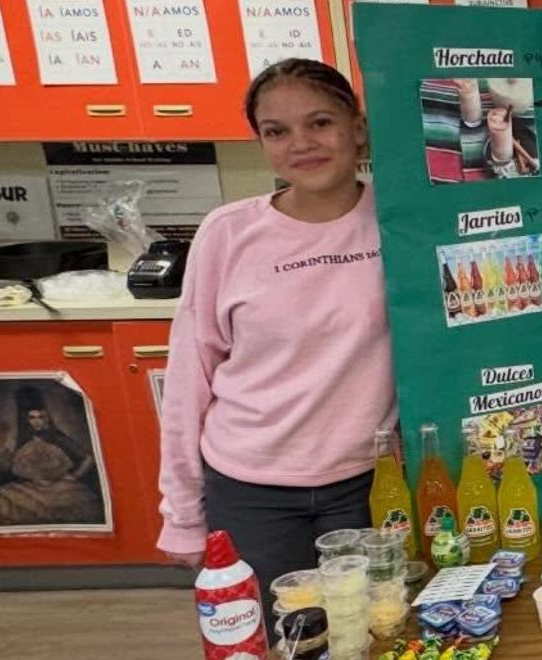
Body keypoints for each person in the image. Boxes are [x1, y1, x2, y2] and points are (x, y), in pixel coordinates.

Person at [155, 59, 397, 616]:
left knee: (372, 629)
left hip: (367, 484)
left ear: (357, 128)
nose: (302, 144)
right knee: (276, 637)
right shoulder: (229, 233)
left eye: (320, 123)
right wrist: (183, 514)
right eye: (277, 131)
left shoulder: (398, 218)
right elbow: (190, 378)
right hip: (250, 488)